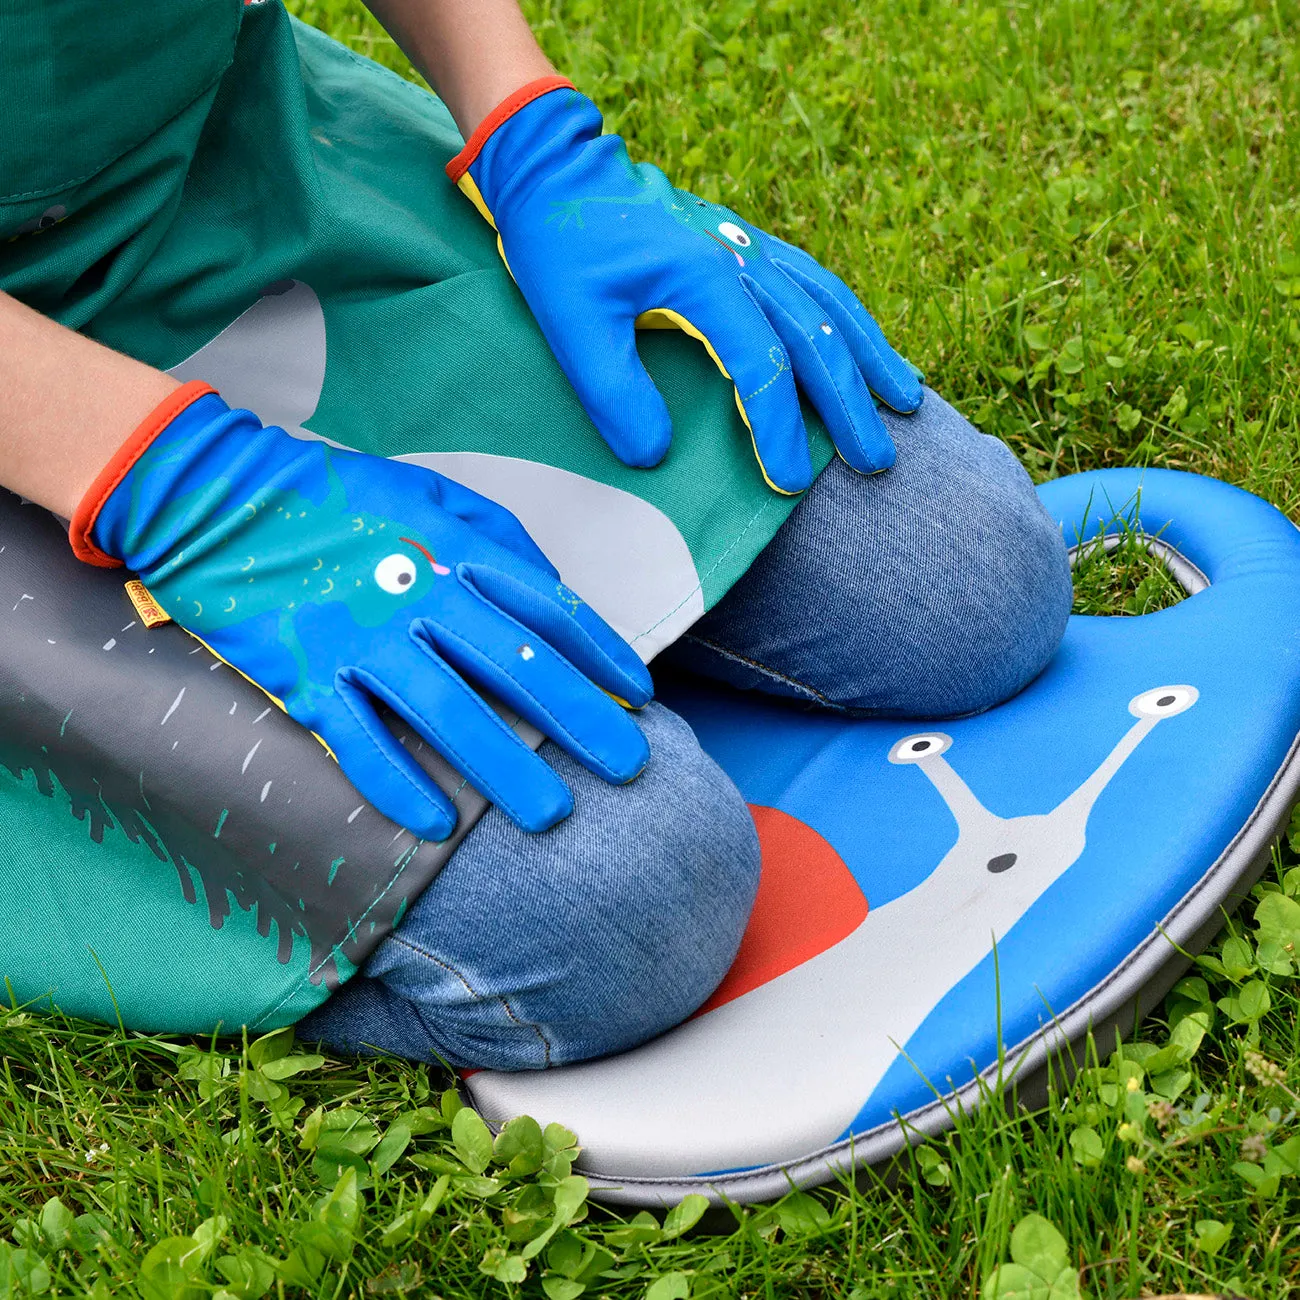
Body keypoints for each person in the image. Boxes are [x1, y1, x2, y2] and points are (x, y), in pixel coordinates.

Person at [0, 0, 1073, 1071]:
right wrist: (169, 481)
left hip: (214, 183)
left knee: (968, 584)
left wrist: (530, 131)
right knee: (622, 910)